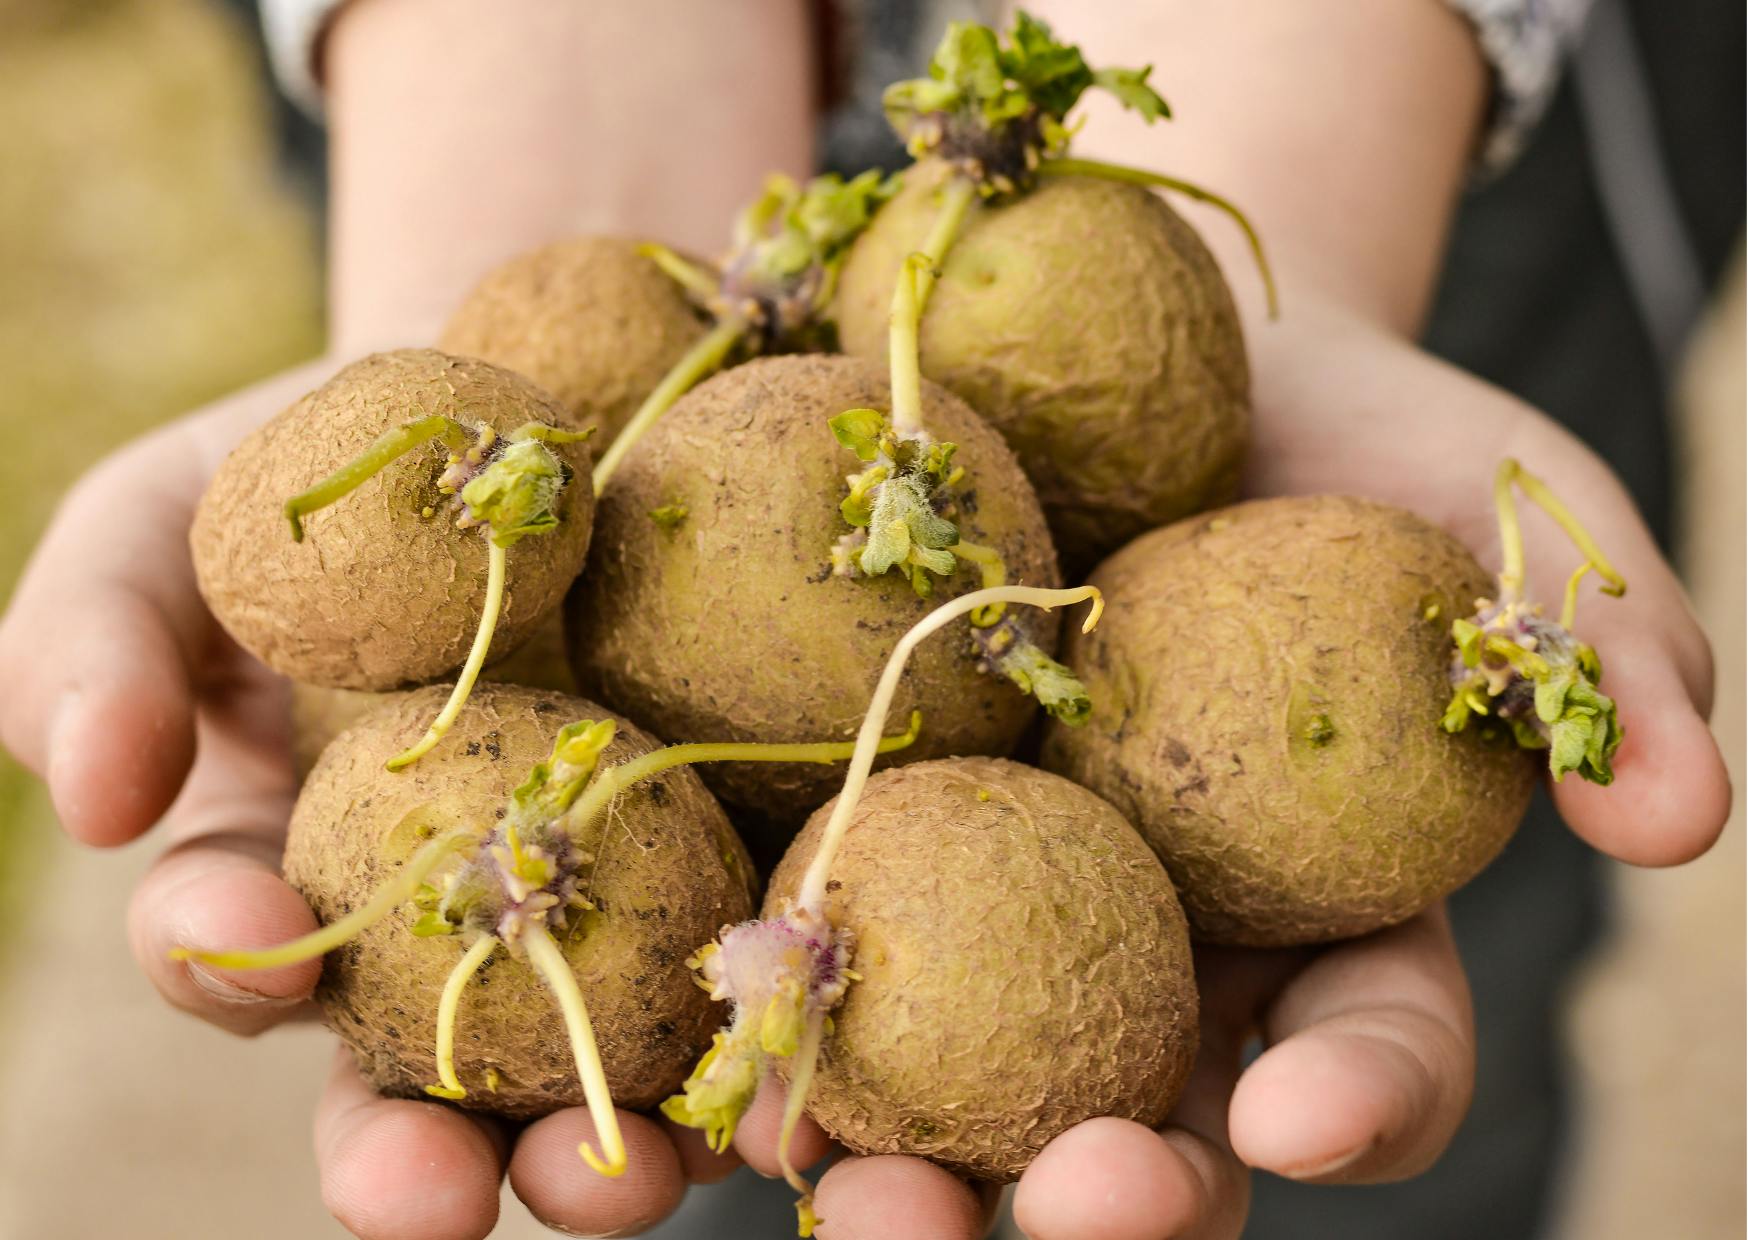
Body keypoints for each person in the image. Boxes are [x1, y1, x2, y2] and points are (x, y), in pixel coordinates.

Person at [0, 2, 1733, 1238]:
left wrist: (1298, 84)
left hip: (1406, 130)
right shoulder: (546, 542)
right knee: (738, 1153)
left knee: (1379, 1122)